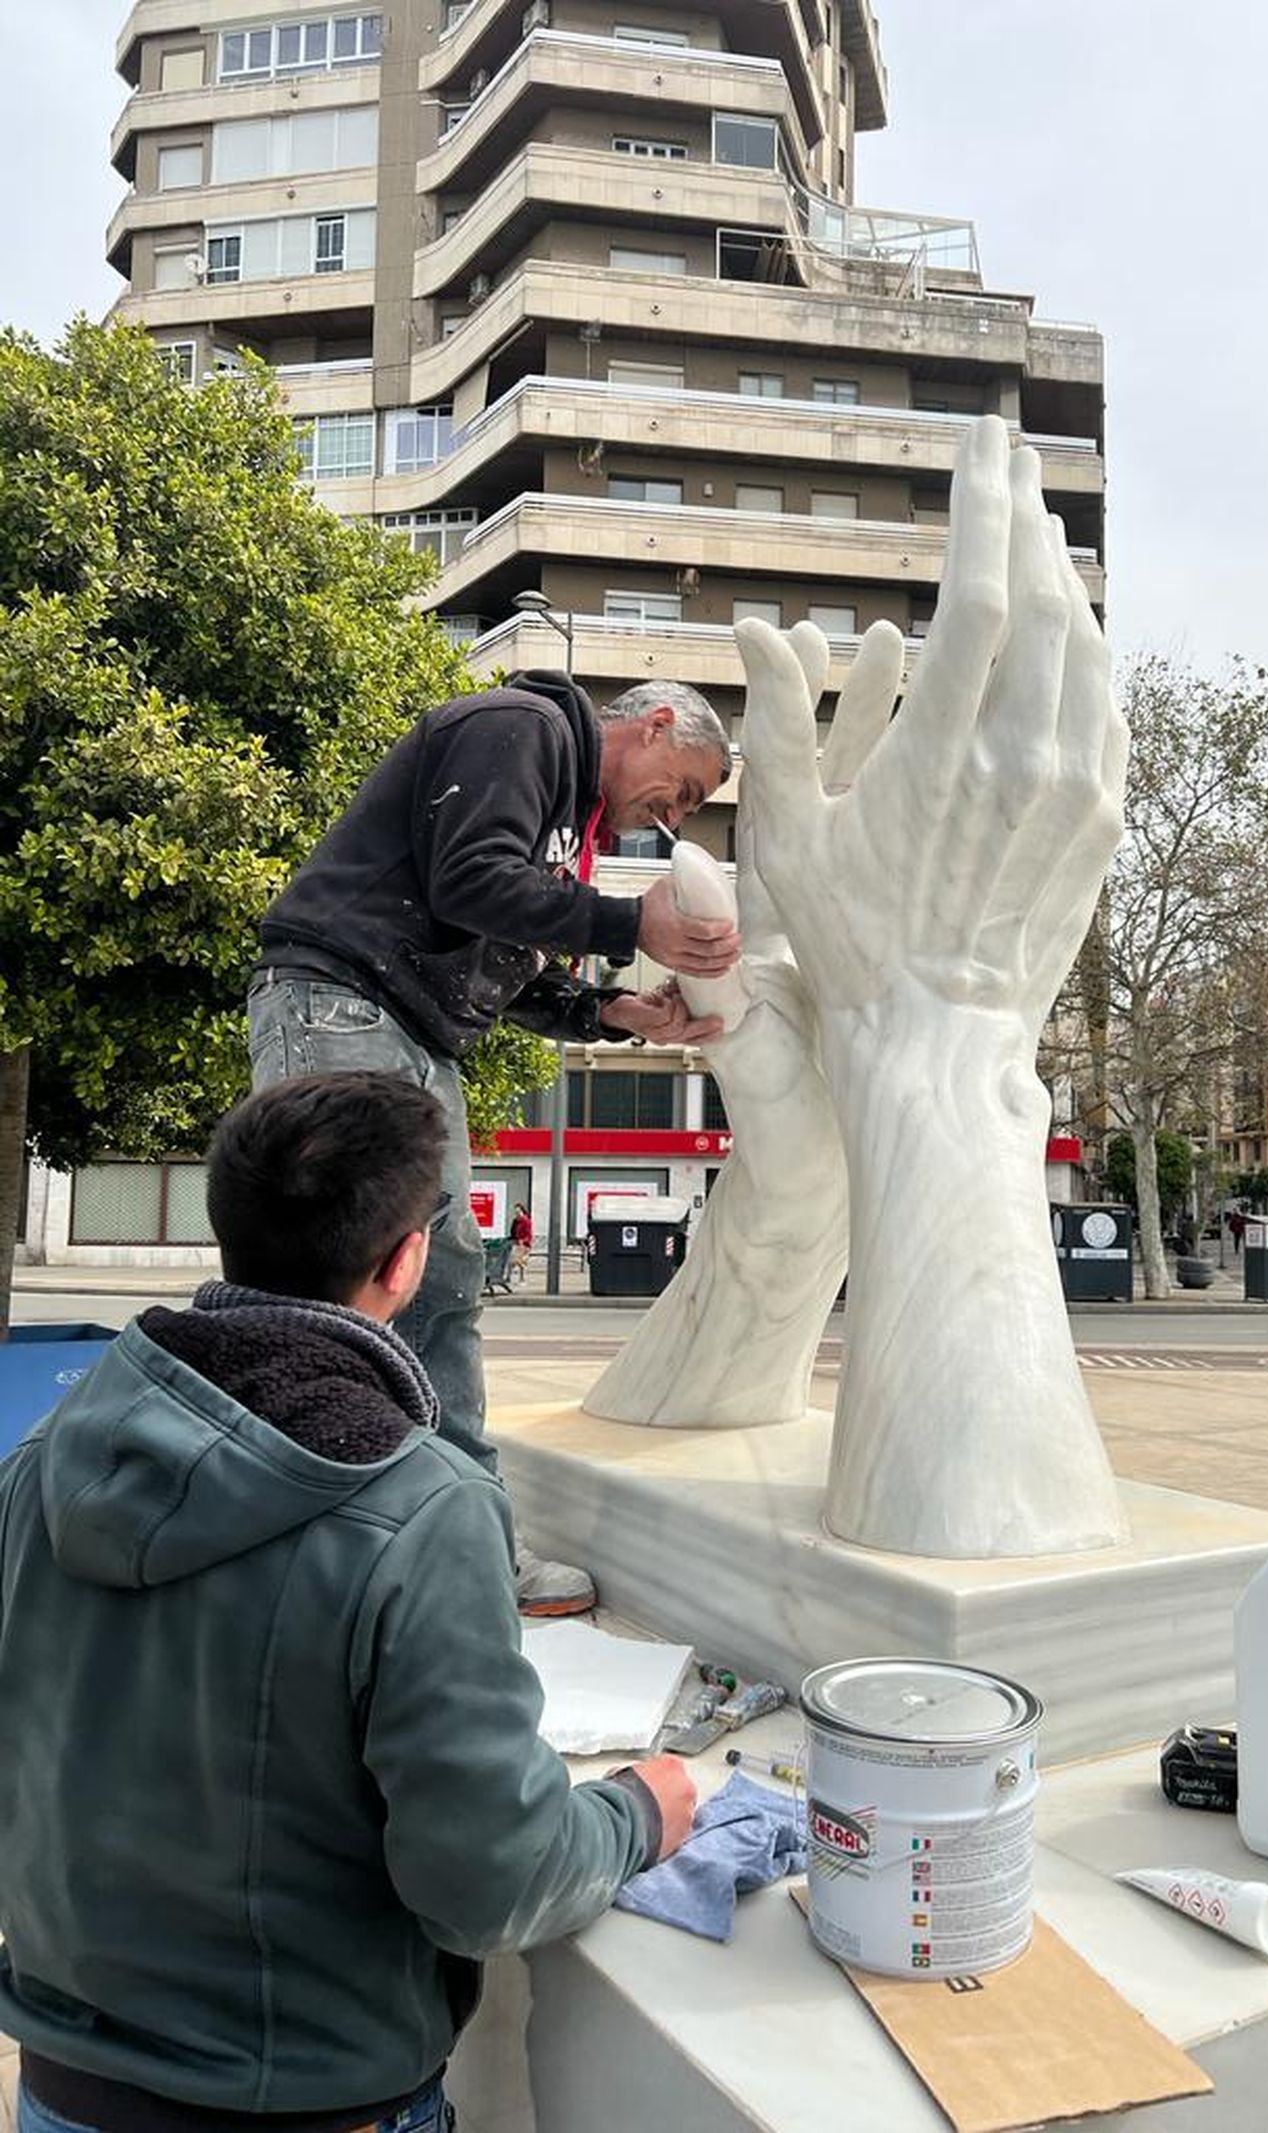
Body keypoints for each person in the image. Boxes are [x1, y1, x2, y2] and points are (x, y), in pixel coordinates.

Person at [0, 1072, 695, 2133]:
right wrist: (636, 1813)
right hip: (305, 2099)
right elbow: (492, 1882)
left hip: (64, 2087)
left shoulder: (48, 1453)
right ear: (407, 1258)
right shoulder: (421, 1508)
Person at [249, 671, 738, 1613]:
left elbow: (502, 955)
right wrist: (632, 922)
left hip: (404, 1024)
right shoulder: (525, 728)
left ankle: (459, 1542)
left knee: (439, 1276)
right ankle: (308, 1545)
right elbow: (470, 878)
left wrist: (610, 1011)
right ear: (656, 723)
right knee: (340, 1270)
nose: (674, 817)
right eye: (684, 788)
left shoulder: (566, 828)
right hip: (344, 998)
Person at [510, 1199, 534, 1274]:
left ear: (522, 1211)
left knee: (519, 1261)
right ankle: (514, 1275)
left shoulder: (526, 1221)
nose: (517, 1214)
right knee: (514, 1260)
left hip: (524, 1244)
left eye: (518, 1212)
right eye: (516, 1212)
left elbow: (529, 1234)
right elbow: (513, 1231)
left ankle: (522, 1276)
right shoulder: (516, 1221)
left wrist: (523, 1241)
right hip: (517, 1243)